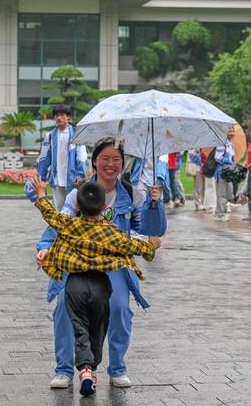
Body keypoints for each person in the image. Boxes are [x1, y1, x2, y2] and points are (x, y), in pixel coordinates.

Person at [32, 138, 166, 389]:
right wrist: (45, 248)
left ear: (123, 164)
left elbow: (152, 230)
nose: (111, 164)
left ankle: (117, 368)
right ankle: (63, 370)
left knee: (119, 308)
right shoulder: (79, 194)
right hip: (78, 264)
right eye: (105, 159)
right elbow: (59, 224)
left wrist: (155, 204)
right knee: (63, 307)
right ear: (94, 162)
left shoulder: (133, 195)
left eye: (116, 160)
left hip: (114, 265)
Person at [37, 104, 88, 209]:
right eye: (56, 115)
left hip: (73, 178)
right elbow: (44, 158)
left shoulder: (76, 134)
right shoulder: (50, 136)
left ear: (68, 117)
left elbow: (82, 156)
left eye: (62, 115)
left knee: (74, 208)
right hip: (57, 178)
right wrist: (41, 177)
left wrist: (80, 174)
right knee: (57, 209)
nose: (59, 118)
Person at [213, 129, 236, 221]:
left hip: (228, 172)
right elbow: (217, 157)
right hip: (222, 172)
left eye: (233, 131)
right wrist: (228, 161)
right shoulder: (222, 143)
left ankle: (219, 212)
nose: (232, 133)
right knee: (221, 193)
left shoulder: (230, 144)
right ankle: (219, 214)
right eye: (230, 131)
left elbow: (232, 157)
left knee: (228, 193)